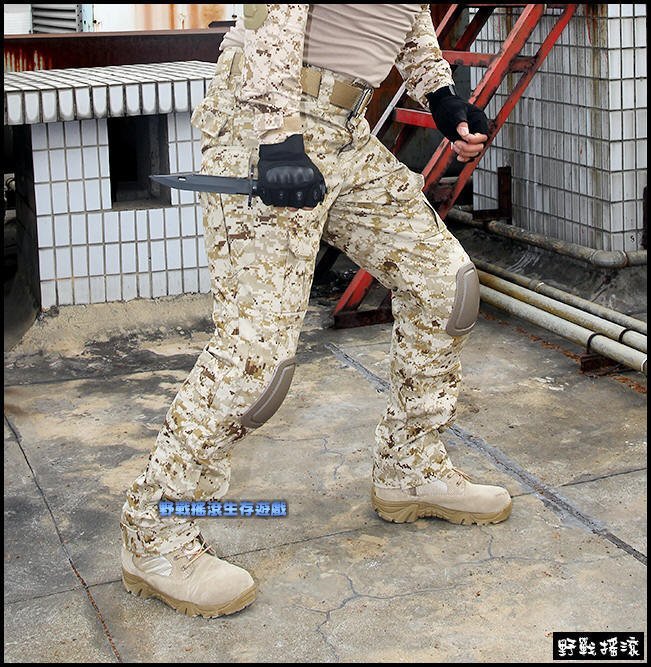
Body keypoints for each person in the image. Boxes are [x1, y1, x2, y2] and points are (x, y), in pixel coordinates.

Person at [119, 4, 512, 619]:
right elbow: (270, 18)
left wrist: (441, 95)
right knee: (257, 359)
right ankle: (155, 534)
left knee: (445, 287)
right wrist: (277, 139)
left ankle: (410, 466)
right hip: (269, 119)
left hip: (347, 131)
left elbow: (404, 16)